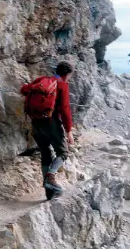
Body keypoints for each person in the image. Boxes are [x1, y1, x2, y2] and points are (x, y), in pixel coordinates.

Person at [20, 61, 75, 199]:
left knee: (45, 152)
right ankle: (50, 177)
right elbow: (65, 109)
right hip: (51, 122)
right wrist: (68, 131)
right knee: (63, 153)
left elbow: (24, 89)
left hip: (36, 122)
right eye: (69, 76)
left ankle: (49, 193)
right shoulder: (62, 85)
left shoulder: (42, 80)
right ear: (67, 74)